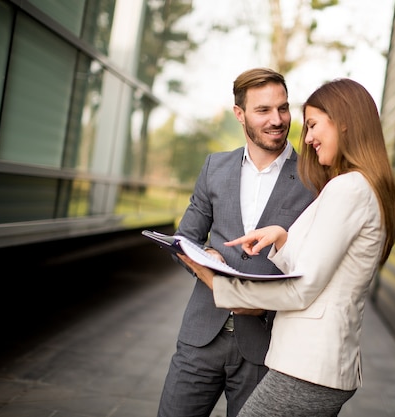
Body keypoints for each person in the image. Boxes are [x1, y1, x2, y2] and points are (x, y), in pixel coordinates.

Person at [182, 78, 395, 417]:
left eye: (312, 125)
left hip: (310, 363)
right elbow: (325, 265)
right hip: (312, 362)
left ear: (344, 121)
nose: (307, 137)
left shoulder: (347, 188)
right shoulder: (358, 185)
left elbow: (302, 289)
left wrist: (218, 283)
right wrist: (283, 239)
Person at [157, 68, 315, 417]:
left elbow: (314, 264)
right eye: (263, 110)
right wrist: (206, 255)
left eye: (283, 108)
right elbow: (185, 239)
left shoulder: (312, 179)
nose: (277, 120)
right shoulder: (216, 167)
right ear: (239, 114)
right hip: (201, 336)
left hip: (266, 346)